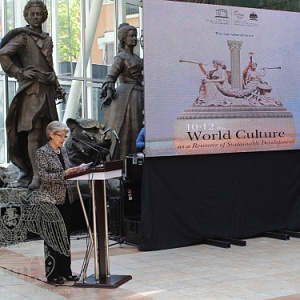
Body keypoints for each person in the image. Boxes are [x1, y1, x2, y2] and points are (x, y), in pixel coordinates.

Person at [0, 0, 64, 190]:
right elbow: (3, 54)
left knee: (50, 134)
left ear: (44, 16)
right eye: (32, 14)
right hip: (31, 93)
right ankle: (35, 175)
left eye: (39, 14)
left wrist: (57, 85)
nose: (36, 17)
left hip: (47, 91)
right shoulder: (23, 38)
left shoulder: (47, 38)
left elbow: (49, 66)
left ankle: (47, 173)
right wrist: (19, 72)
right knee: (33, 133)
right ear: (27, 16)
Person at [36, 121, 81, 285]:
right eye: (61, 136)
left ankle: (66, 271)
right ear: (51, 135)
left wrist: (75, 171)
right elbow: (44, 176)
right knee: (52, 238)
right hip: (50, 200)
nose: (63, 139)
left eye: (65, 136)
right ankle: (52, 273)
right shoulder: (42, 152)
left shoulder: (64, 151)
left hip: (66, 198)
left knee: (64, 236)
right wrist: (64, 174)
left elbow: (66, 170)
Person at [101, 23, 144, 161]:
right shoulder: (120, 57)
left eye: (135, 36)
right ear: (124, 38)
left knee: (137, 127)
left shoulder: (137, 59)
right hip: (126, 97)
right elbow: (110, 77)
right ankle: (121, 161)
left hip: (139, 96)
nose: (134, 39)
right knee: (125, 128)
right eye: (131, 36)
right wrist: (108, 93)